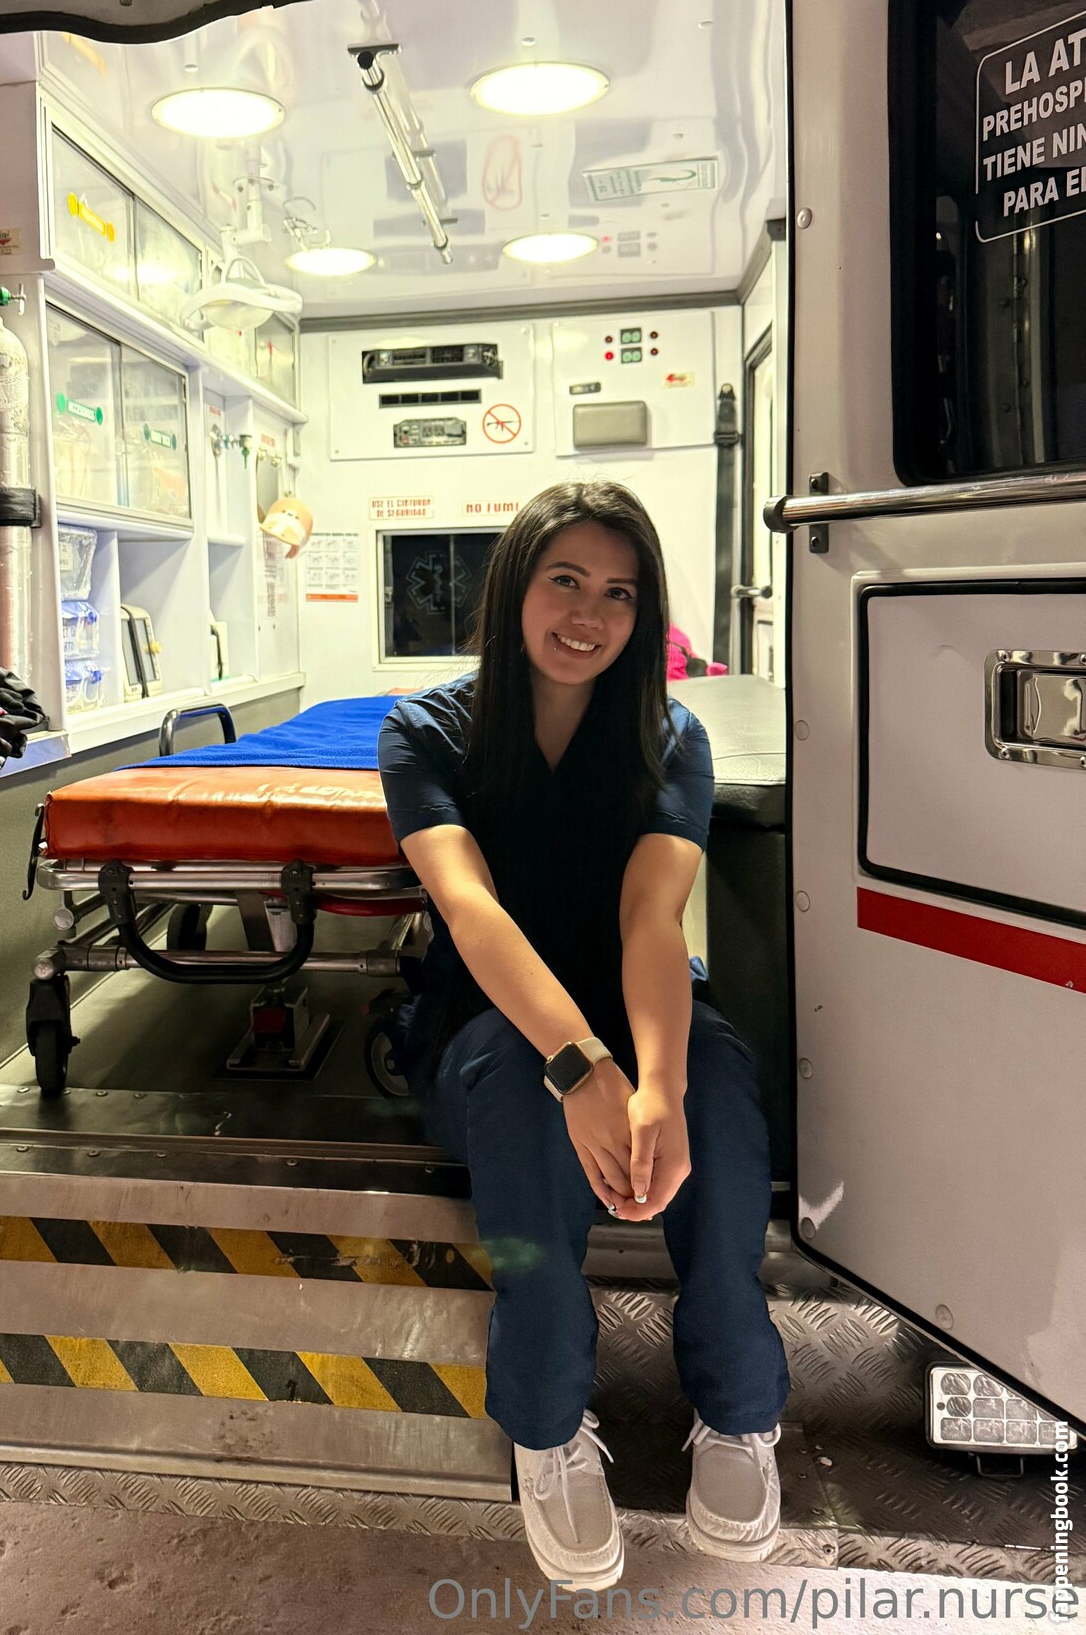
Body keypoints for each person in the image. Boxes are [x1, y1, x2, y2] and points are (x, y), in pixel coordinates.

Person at [377, 481, 790, 1591]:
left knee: (716, 1082)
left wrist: (656, 1085)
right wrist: (580, 1066)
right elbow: (471, 910)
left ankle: (739, 1408)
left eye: (619, 593)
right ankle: (548, 1424)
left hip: (630, 999)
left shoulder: (669, 736)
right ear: (516, 584)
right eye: (566, 580)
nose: (588, 614)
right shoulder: (427, 730)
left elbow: (651, 920)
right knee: (523, 1092)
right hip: (486, 1026)